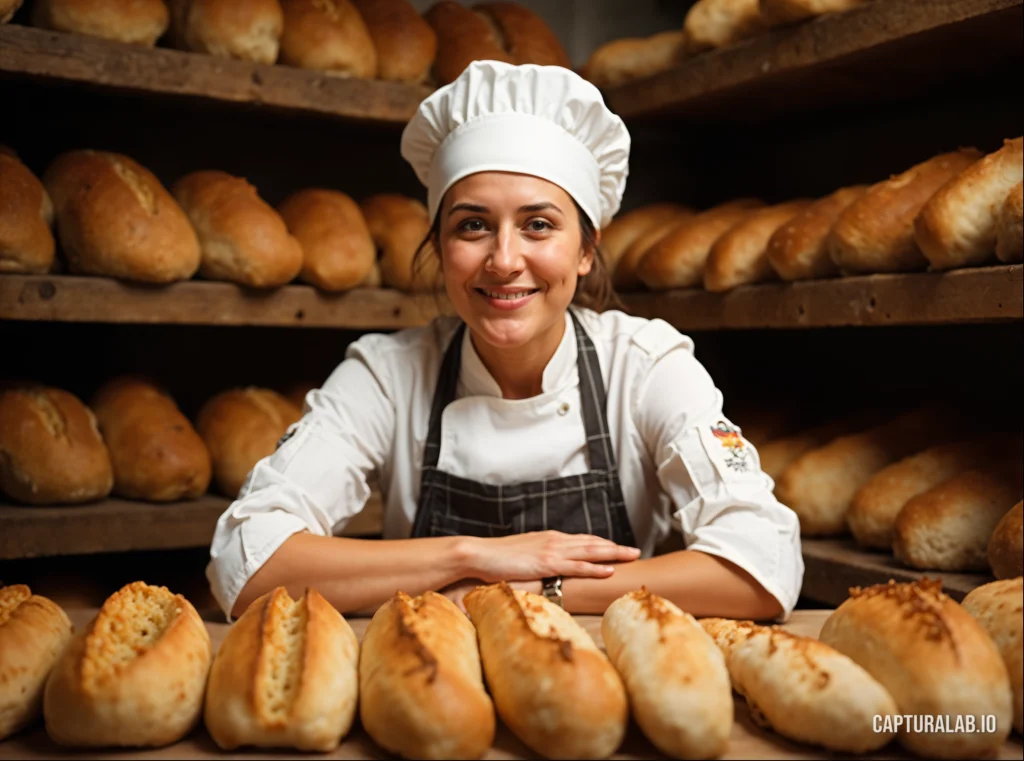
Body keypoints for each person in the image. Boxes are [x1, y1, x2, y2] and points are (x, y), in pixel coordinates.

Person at [207, 61, 803, 622]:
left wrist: (540, 587)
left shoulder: (646, 366)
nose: (504, 259)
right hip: (429, 672)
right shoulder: (387, 374)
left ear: (587, 249)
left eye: (538, 224)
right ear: (440, 249)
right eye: (473, 225)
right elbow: (245, 560)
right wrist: (467, 556)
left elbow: (763, 563)